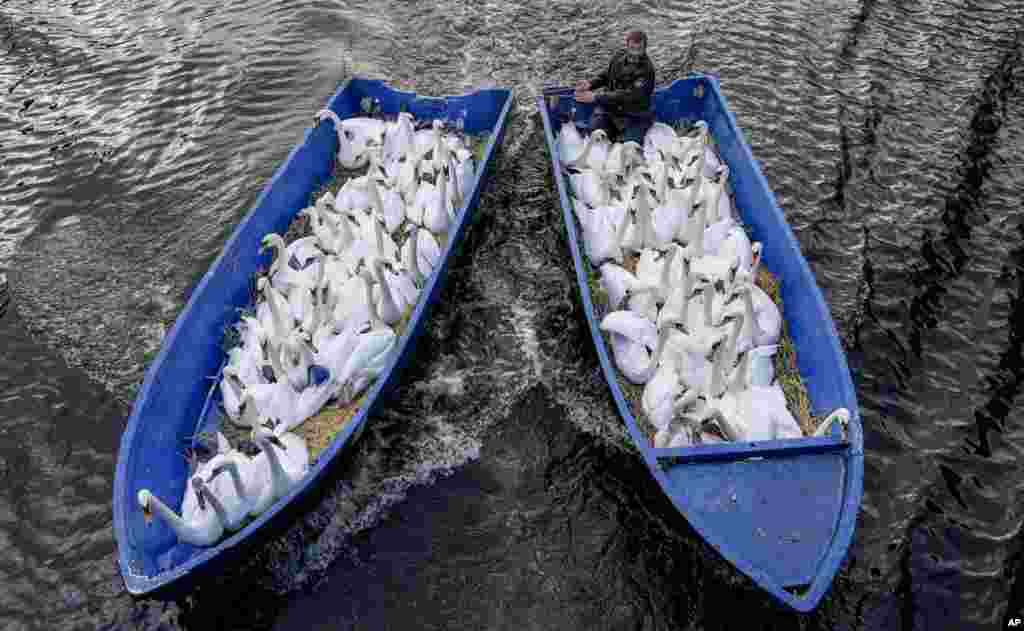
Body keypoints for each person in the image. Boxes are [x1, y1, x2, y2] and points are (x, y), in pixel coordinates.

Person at [574, 30, 656, 145]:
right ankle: (610, 133)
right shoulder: (618, 56)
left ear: (645, 49)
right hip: (610, 110)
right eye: (632, 48)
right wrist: (590, 84)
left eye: (639, 50)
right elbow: (606, 75)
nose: (635, 53)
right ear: (627, 46)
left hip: (635, 116)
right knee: (594, 133)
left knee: (628, 146)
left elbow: (629, 95)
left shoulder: (647, 70)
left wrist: (596, 97)